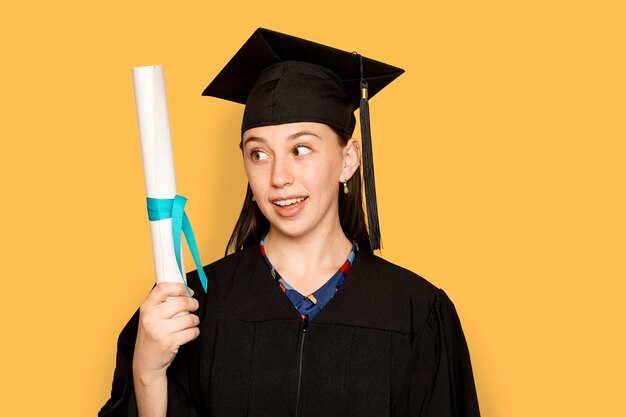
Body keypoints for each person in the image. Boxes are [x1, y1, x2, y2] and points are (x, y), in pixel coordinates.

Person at [99, 28, 481, 417]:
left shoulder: (416, 312)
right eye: (259, 154)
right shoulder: (187, 306)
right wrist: (147, 373)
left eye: (301, 149)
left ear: (348, 159)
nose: (279, 176)